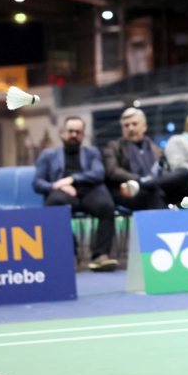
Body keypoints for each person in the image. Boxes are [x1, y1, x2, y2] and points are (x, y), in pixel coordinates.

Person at [33, 116, 118, 272]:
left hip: (89, 191)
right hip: (62, 193)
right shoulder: (48, 155)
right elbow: (37, 183)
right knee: (52, 205)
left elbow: (98, 173)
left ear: (83, 135)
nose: (74, 135)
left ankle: (100, 256)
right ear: (62, 133)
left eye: (78, 132)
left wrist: (72, 179)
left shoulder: (92, 152)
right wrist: (56, 185)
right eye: (70, 131)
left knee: (107, 206)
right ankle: (69, 253)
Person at [103, 107, 188, 210]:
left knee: (185, 174)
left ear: (144, 126)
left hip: (158, 186)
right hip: (130, 190)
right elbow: (112, 171)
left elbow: (164, 170)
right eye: (126, 125)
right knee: (152, 192)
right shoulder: (113, 147)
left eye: (134, 124)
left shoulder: (156, 149)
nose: (130, 128)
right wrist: (140, 179)